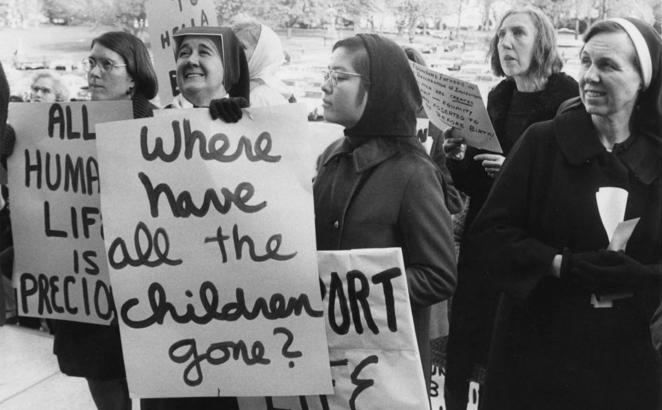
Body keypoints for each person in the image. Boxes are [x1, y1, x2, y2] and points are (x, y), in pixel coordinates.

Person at [470, 17, 662, 409]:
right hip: (539, 357)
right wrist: (560, 264)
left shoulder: (658, 159)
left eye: (608, 66)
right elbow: (490, 236)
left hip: (625, 364)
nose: (590, 76)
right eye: (586, 62)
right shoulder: (542, 142)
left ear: (643, 79)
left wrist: (647, 277)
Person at [439, 7, 578, 409]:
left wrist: (515, 171)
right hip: (484, 243)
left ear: (543, 43)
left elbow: (570, 184)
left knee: (513, 354)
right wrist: (457, 158)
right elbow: (476, 183)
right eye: (500, 36)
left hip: (531, 246)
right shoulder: (499, 95)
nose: (505, 43)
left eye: (518, 34)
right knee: (466, 344)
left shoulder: (567, 99)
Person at [314, 34, 457, 387]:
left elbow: (438, 275)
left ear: (378, 90)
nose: (325, 85)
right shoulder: (330, 155)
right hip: (326, 360)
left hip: (384, 375)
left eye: (340, 77)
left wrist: (354, 291)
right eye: (326, 73)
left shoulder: (414, 171)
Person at [50, 31, 158, 410]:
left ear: (133, 78)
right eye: (91, 62)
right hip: (91, 286)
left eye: (107, 64)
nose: (94, 72)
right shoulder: (62, 128)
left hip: (147, 283)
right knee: (104, 380)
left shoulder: (164, 129)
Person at [166, 26, 250, 125]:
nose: (191, 60)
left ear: (228, 67)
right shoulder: (154, 122)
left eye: (204, 52)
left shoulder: (253, 121)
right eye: (184, 53)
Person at [232, 18, 291, 106]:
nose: (232, 52)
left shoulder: (258, 97)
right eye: (231, 46)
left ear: (261, 54)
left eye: (241, 47)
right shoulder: (247, 87)